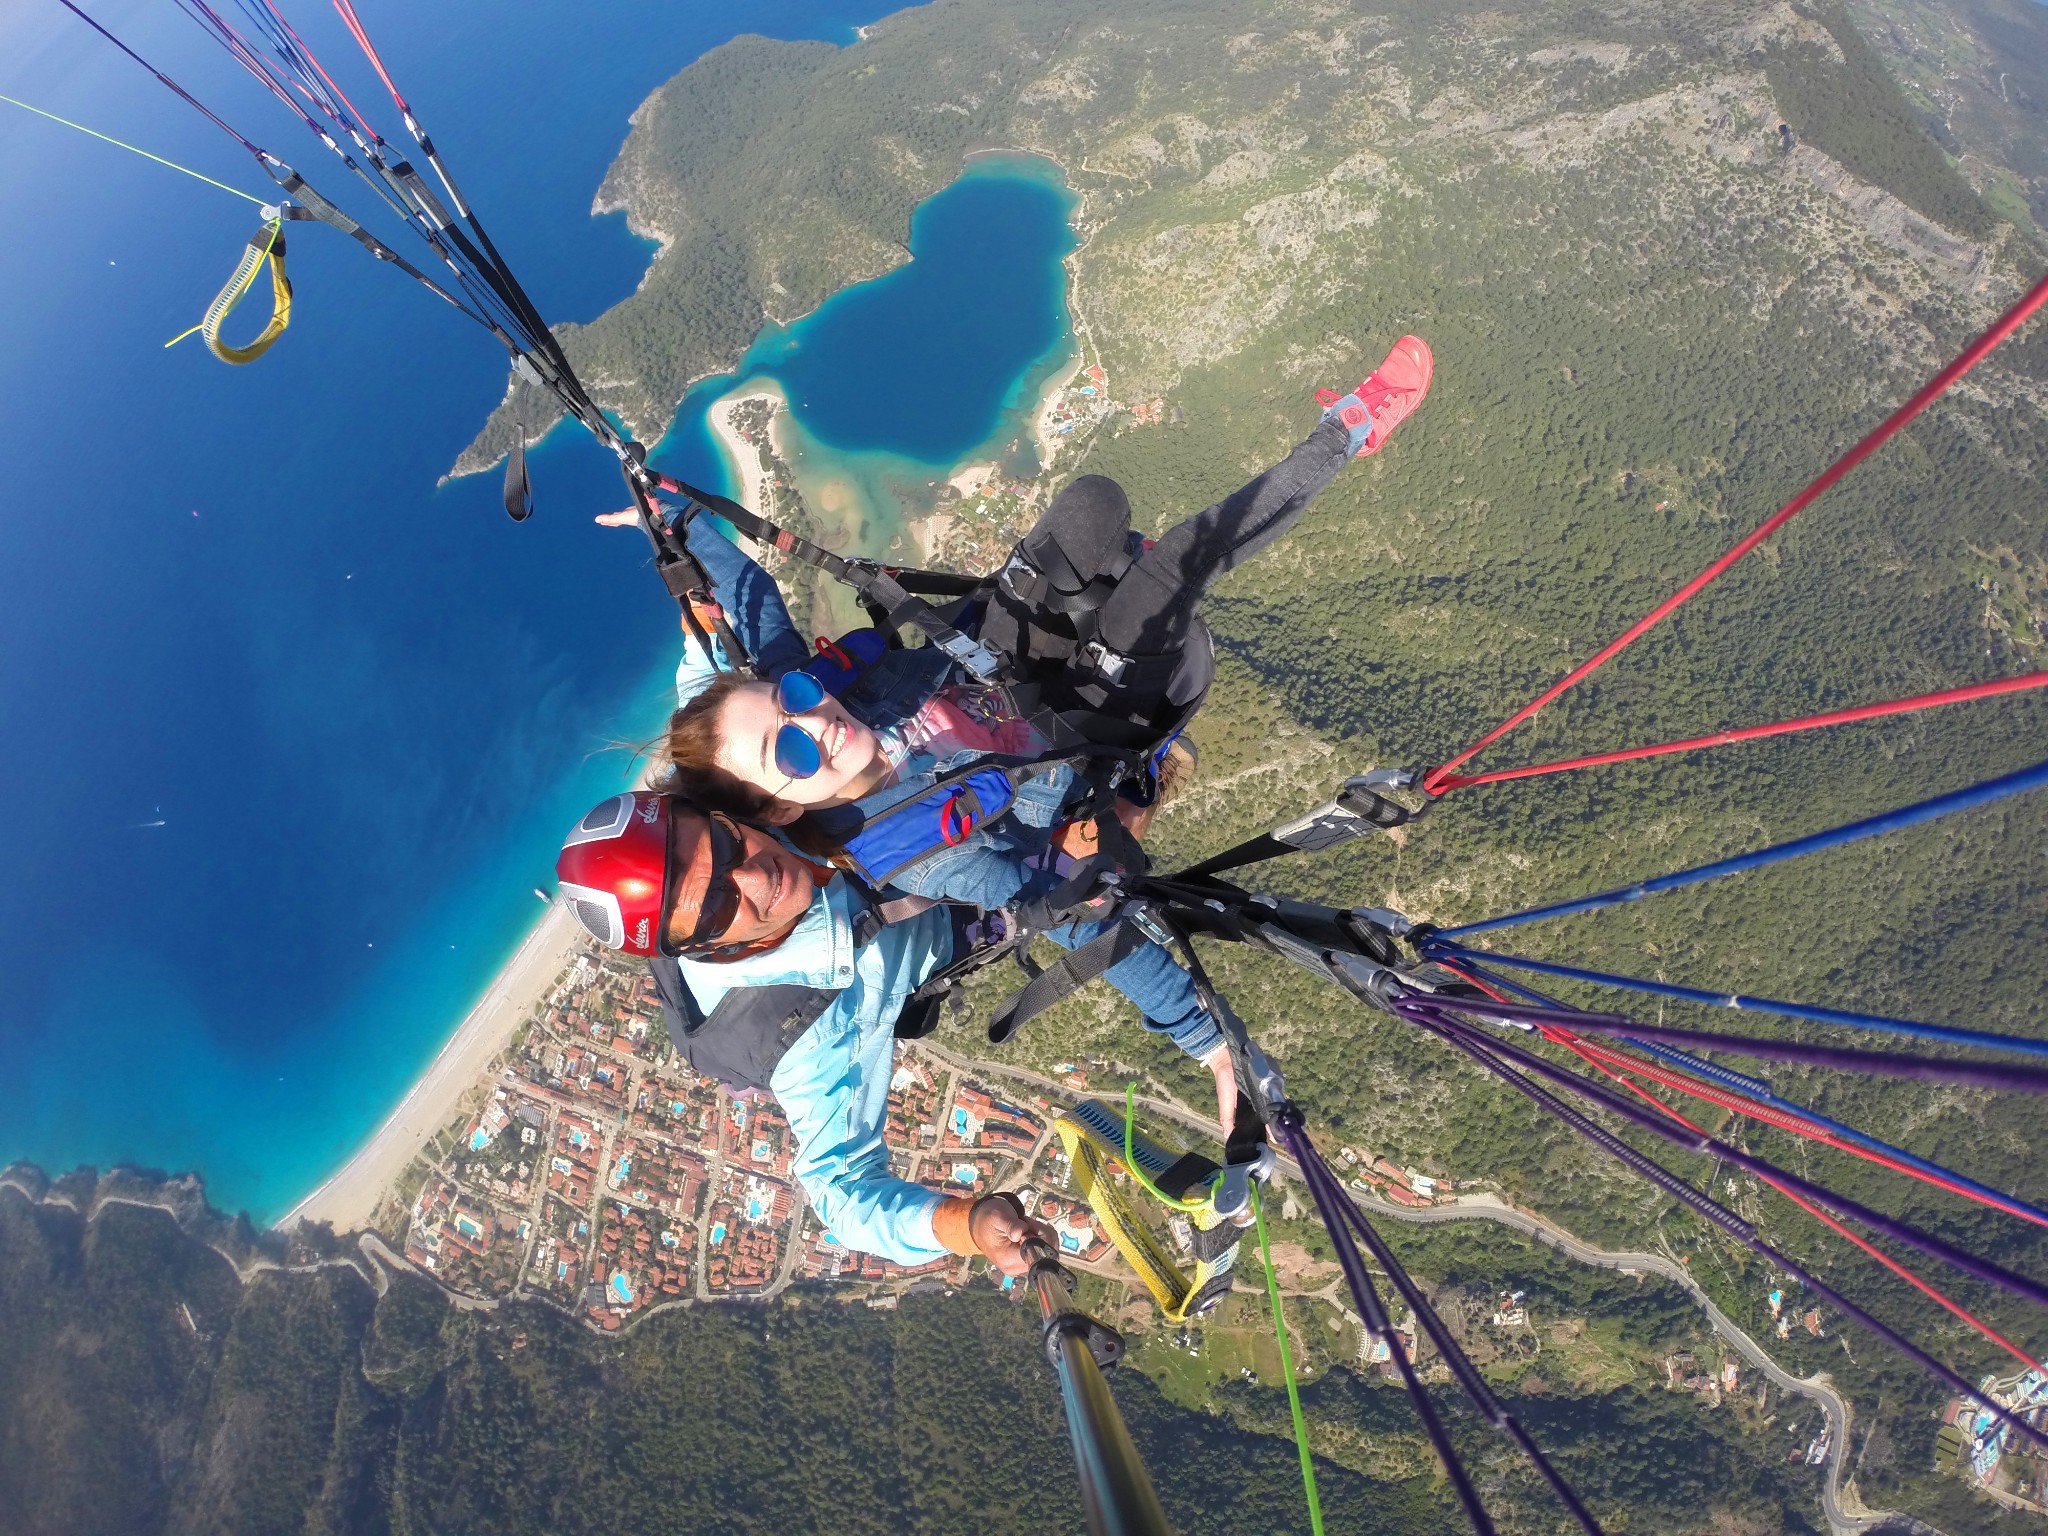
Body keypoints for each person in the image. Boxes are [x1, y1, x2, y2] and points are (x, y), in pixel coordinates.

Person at [556, 788, 1058, 1274]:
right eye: (714, 906)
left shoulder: (744, 791)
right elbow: (843, 1193)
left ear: (715, 813)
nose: (755, 877)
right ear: (701, 947)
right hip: (962, 910)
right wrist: (968, 1226)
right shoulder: (804, 1035)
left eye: (723, 845)